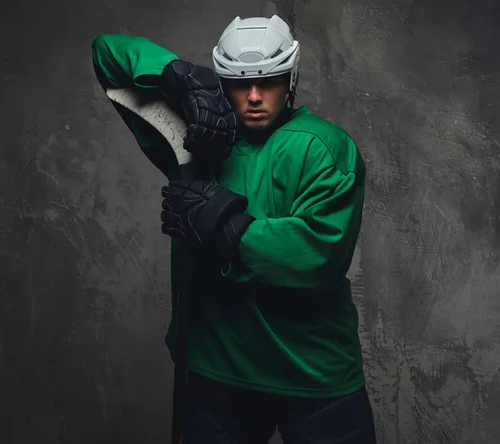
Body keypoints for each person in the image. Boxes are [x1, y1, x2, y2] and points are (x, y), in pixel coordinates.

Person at [92, 14, 376, 444]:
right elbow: (107, 53)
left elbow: (319, 255)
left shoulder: (325, 147)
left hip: (314, 374)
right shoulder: (191, 140)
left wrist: (220, 224)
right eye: (240, 84)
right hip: (217, 373)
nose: (255, 97)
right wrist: (181, 80)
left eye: (270, 81)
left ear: (290, 78)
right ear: (223, 83)